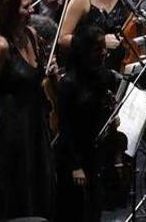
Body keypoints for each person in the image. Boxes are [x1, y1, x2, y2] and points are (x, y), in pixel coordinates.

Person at [0, 0, 55, 218]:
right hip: (11, 121)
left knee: (39, 176)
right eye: (25, 7)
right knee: (19, 181)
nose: (31, 10)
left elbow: (37, 76)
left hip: (34, 118)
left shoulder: (31, 34)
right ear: (11, 10)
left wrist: (50, 71)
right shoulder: (1, 45)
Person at [55, 22, 126, 217]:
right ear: (84, 52)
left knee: (96, 207)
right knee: (77, 210)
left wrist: (112, 119)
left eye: (103, 47)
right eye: (97, 49)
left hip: (97, 154)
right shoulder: (69, 83)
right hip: (76, 155)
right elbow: (65, 128)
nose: (103, 52)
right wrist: (75, 166)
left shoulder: (104, 76)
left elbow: (105, 110)